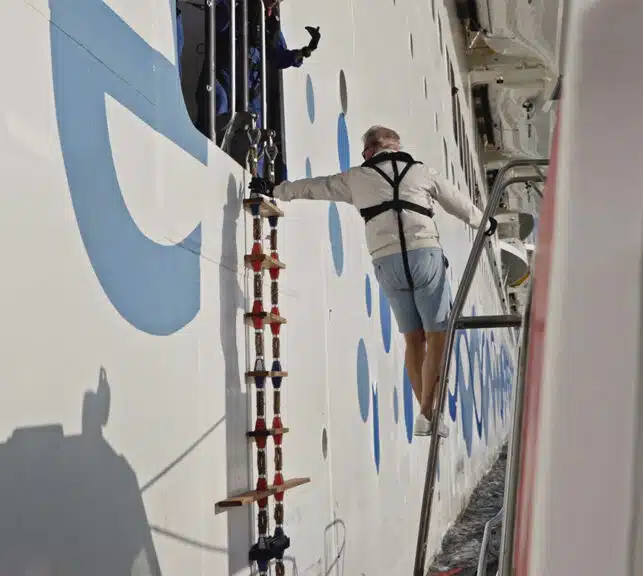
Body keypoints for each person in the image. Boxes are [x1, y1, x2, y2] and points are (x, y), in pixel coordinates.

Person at [248, 126, 498, 438]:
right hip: (425, 255)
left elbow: (314, 188)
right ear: (396, 147)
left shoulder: (355, 178)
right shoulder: (421, 173)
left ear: (369, 152)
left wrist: (275, 190)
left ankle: (425, 413)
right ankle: (428, 413)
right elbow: (458, 203)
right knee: (438, 335)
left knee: (412, 338)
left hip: (387, 260)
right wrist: (486, 224)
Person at [195, 0, 320, 151]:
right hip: (222, 77)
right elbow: (217, 24)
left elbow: (277, 56)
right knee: (217, 107)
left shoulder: (271, 24)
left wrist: (304, 51)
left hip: (251, 90)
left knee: (254, 131)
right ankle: (204, 155)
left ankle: (250, 171)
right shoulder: (238, 5)